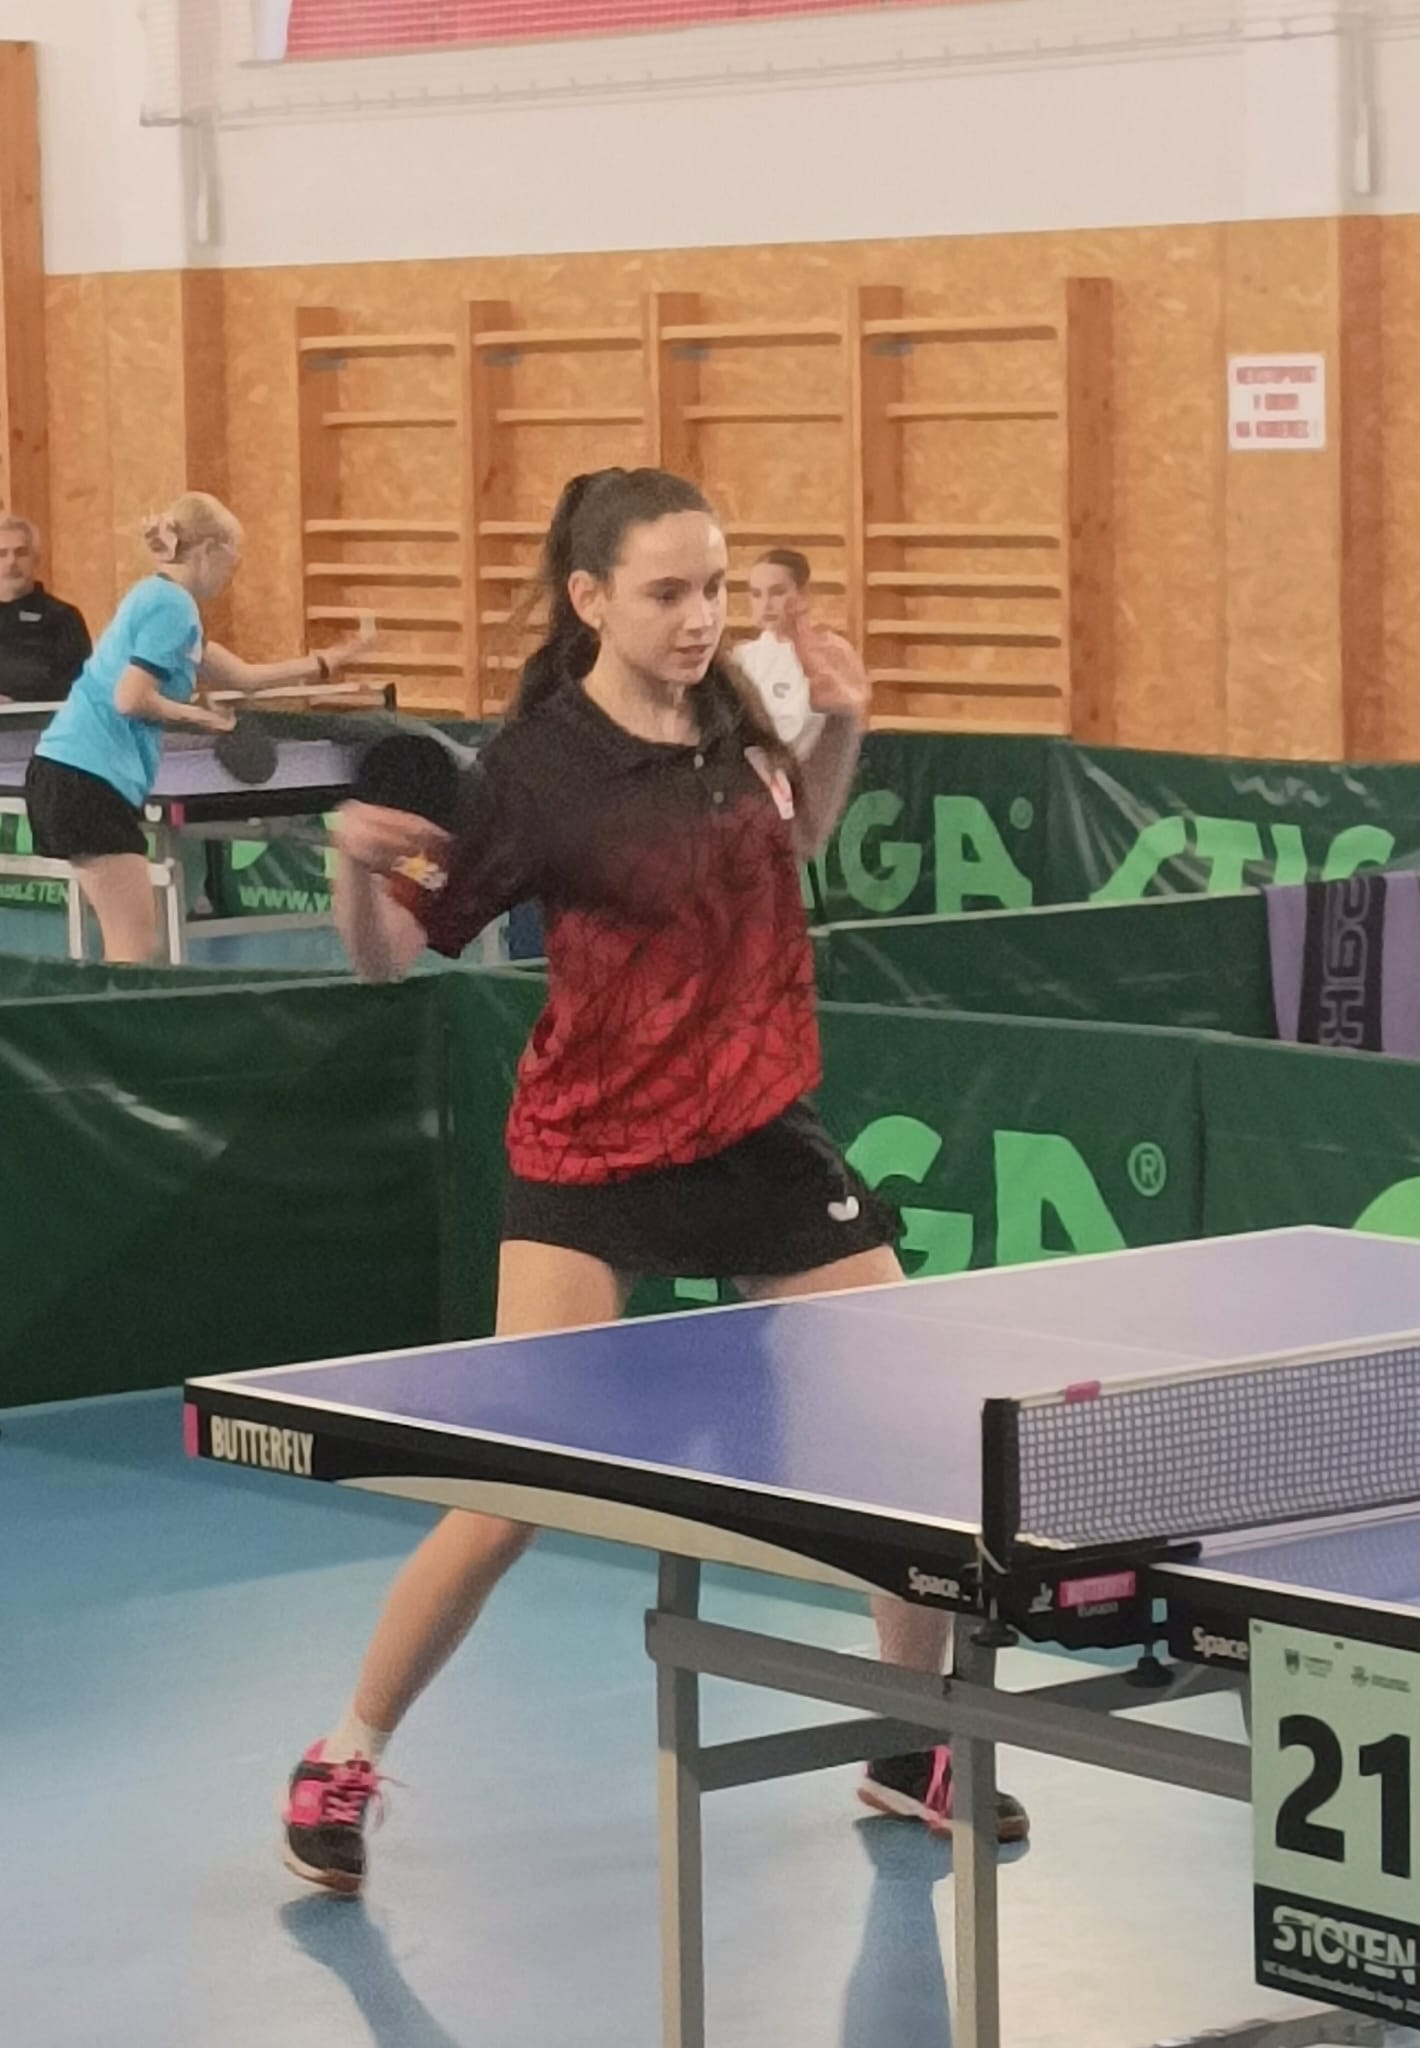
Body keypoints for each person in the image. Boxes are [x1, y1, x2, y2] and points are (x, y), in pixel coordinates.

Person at [281, 466, 1029, 1897]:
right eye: (668, 592)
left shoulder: (730, 710)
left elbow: (796, 839)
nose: (699, 617)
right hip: (592, 1146)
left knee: (912, 1441)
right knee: (509, 1486)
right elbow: (396, 957)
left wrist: (846, 722)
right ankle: (344, 1755)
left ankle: (906, 1739)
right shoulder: (532, 771)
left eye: (712, 587)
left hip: (754, 1128)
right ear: (590, 597)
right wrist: (356, 869)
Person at [24, 491, 371, 965]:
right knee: (135, 947)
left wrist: (333, 659)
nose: (233, 572)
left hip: (70, 774)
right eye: (233, 558)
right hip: (86, 778)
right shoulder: (173, 607)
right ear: (208, 550)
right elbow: (130, 698)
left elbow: (245, 678)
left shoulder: (158, 599)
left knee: (128, 943)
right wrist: (204, 720)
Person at [736, 547, 825, 756]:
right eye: (756, 594)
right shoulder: (740, 658)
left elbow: (797, 734)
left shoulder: (823, 661)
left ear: (803, 594)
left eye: (777, 592)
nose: (766, 604)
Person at [0, 515, 92, 704]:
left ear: (36, 560)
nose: (11, 562)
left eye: (21, 553)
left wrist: (16, 702)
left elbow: (82, 687)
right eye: (2, 553)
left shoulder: (63, 617)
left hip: (41, 720)